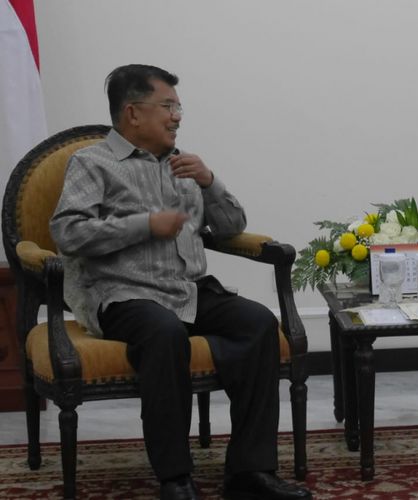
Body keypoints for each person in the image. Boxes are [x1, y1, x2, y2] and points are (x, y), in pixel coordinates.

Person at [50, 64, 311, 500]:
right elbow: (68, 233)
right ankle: (175, 478)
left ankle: (250, 471)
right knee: (164, 332)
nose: (177, 116)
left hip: (189, 289)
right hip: (122, 293)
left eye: (178, 106)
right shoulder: (92, 163)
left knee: (259, 323)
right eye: (167, 106)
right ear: (133, 113)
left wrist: (210, 182)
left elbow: (230, 228)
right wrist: (144, 225)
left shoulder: (182, 164)